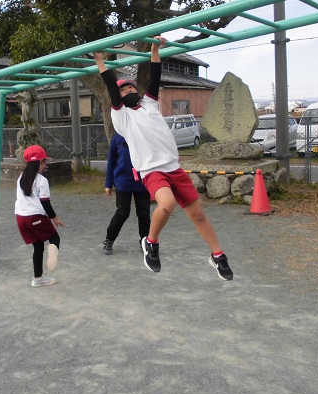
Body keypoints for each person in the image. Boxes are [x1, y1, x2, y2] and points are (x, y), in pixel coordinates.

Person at [94, 36, 233, 280]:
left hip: (173, 168)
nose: (127, 91)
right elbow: (111, 88)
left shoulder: (150, 105)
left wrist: (155, 49)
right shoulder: (122, 117)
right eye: (123, 90)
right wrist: (99, 62)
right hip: (151, 170)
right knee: (166, 204)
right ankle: (151, 242)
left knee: (197, 214)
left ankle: (217, 255)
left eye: (131, 88)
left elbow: (155, 76)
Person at [14, 145, 65, 287]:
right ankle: (52, 253)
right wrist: (55, 219)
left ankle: (38, 278)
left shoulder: (21, 178)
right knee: (54, 238)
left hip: (20, 218)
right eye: (45, 162)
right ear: (40, 162)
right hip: (35, 217)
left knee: (38, 246)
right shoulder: (42, 180)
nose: (45, 165)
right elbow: (45, 203)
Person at [103, 133, 151, 255]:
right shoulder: (117, 138)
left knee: (144, 213)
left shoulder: (144, 134)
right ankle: (109, 239)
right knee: (122, 212)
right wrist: (108, 183)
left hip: (142, 181)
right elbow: (111, 161)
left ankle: (145, 241)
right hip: (123, 181)